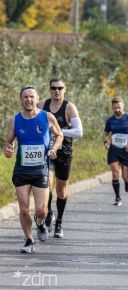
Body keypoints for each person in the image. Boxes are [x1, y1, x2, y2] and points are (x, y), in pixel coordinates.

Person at [4, 87, 63, 253]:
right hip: (21, 169)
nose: (28, 100)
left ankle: (40, 222)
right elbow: (8, 142)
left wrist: (54, 148)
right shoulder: (15, 120)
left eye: (31, 97)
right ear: (21, 100)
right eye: (25, 97)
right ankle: (29, 240)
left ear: (37, 99)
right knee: (23, 209)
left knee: (41, 210)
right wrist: (8, 150)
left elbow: (60, 135)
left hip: (41, 169)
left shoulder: (47, 117)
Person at [39, 78, 83, 238]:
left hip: (64, 152)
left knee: (62, 190)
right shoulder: (42, 105)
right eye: (53, 88)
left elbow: (79, 132)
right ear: (50, 89)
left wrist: (58, 131)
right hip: (46, 152)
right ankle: (49, 213)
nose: (57, 91)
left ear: (65, 89)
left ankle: (59, 222)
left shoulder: (69, 107)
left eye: (60, 88)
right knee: (47, 185)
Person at [103, 97, 128, 206]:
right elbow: (105, 134)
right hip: (114, 150)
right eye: (115, 108)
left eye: (119, 107)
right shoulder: (110, 120)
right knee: (115, 173)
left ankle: (127, 181)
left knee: (125, 176)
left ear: (123, 106)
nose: (117, 110)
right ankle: (117, 198)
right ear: (112, 108)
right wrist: (105, 143)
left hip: (126, 150)